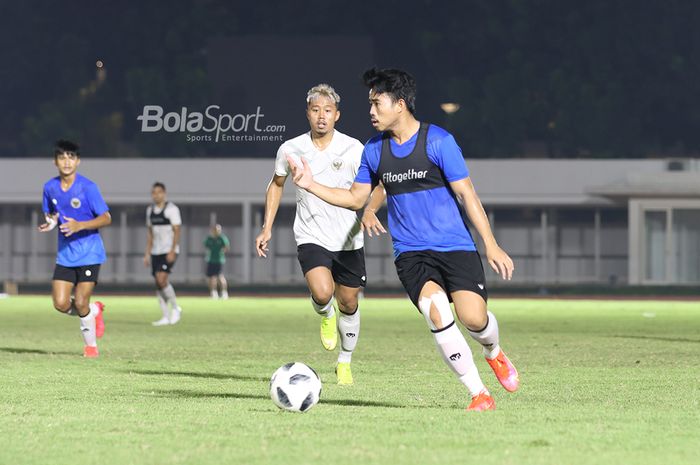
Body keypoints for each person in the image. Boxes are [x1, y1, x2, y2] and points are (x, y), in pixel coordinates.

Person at [288, 68, 519, 411]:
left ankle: (494, 352)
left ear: (399, 104)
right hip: (411, 253)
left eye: (376, 103)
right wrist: (310, 185)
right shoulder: (374, 150)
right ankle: (478, 393)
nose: (370, 111)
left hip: (456, 247)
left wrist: (490, 243)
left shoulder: (438, 141)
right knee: (436, 311)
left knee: (474, 319)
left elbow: (468, 196)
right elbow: (355, 198)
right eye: (370, 104)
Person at [255, 83, 381, 385]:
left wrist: (370, 210)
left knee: (349, 302)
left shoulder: (354, 149)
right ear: (307, 114)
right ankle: (325, 315)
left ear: (337, 115)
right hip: (311, 234)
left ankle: (345, 361)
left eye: (327, 110)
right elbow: (276, 184)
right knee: (324, 292)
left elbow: (377, 186)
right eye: (315, 110)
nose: (321, 116)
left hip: (349, 238)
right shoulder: (291, 149)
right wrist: (266, 227)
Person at [38, 140, 109, 358]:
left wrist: (81, 225)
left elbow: (106, 217)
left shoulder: (88, 187)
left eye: (71, 157)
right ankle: (94, 311)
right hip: (66, 255)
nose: (66, 162)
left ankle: (91, 347)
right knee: (60, 304)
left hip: (89, 253)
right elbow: (51, 214)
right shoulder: (49, 187)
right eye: (62, 157)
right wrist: (50, 223)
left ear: (78, 161)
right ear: (55, 161)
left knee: (80, 302)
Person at [144, 182, 182, 326]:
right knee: (158, 284)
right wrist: (147, 253)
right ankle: (165, 315)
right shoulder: (150, 211)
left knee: (161, 279)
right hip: (155, 251)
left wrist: (173, 250)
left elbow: (177, 230)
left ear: (164, 193)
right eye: (154, 192)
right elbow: (150, 234)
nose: (156, 195)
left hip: (168, 250)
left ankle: (176, 308)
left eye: (159, 192)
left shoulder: (172, 209)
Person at [204, 224, 230, 299]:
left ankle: (223, 293)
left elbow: (227, 246)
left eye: (218, 230)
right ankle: (213, 292)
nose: (217, 231)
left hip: (218, 260)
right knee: (210, 277)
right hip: (210, 260)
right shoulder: (209, 238)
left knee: (218, 277)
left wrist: (222, 252)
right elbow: (206, 246)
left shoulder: (222, 238)